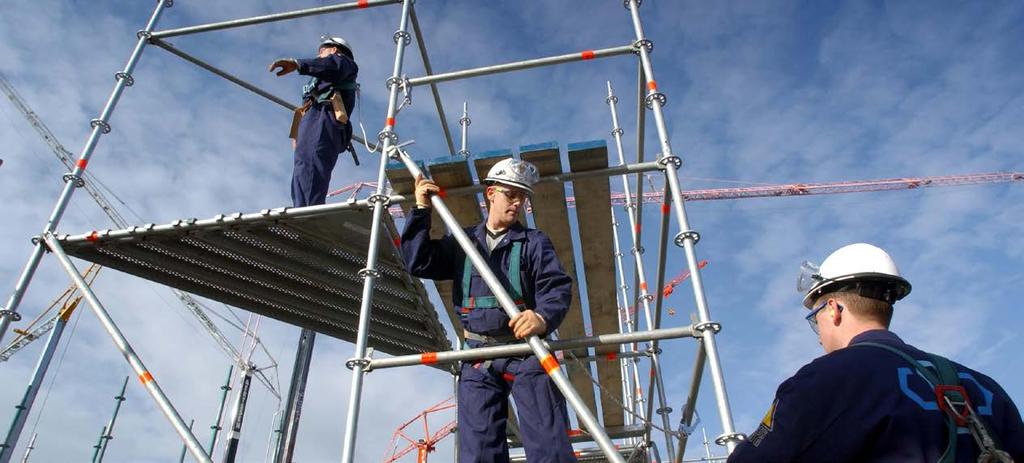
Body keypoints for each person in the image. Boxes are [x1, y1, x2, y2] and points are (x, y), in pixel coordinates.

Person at [728, 243, 1023, 462]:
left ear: (833, 309)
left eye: (815, 319)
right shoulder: (983, 387)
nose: (819, 338)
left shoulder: (825, 380)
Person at [400, 158, 577, 463]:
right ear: (491, 193)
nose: (517, 203)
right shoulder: (463, 241)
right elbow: (419, 262)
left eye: (522, 197)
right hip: (478, 358)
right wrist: (421, 210)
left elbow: (556, 286)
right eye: (511, 194)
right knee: (479, 453)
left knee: (550, 447)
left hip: (527, 354)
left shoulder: (534, 243)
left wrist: (541, 317)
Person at [269, 35, 358, 207]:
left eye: (322, 51)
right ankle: (301, 207)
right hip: (313, 118)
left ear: (334, 49)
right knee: (303, 165)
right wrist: (299, 133)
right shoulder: (320, 78)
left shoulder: (343, 63)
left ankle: (308, 209)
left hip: (325, 116)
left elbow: (331, 65)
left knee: (312, 163)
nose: (318, 56)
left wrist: (297, 64)